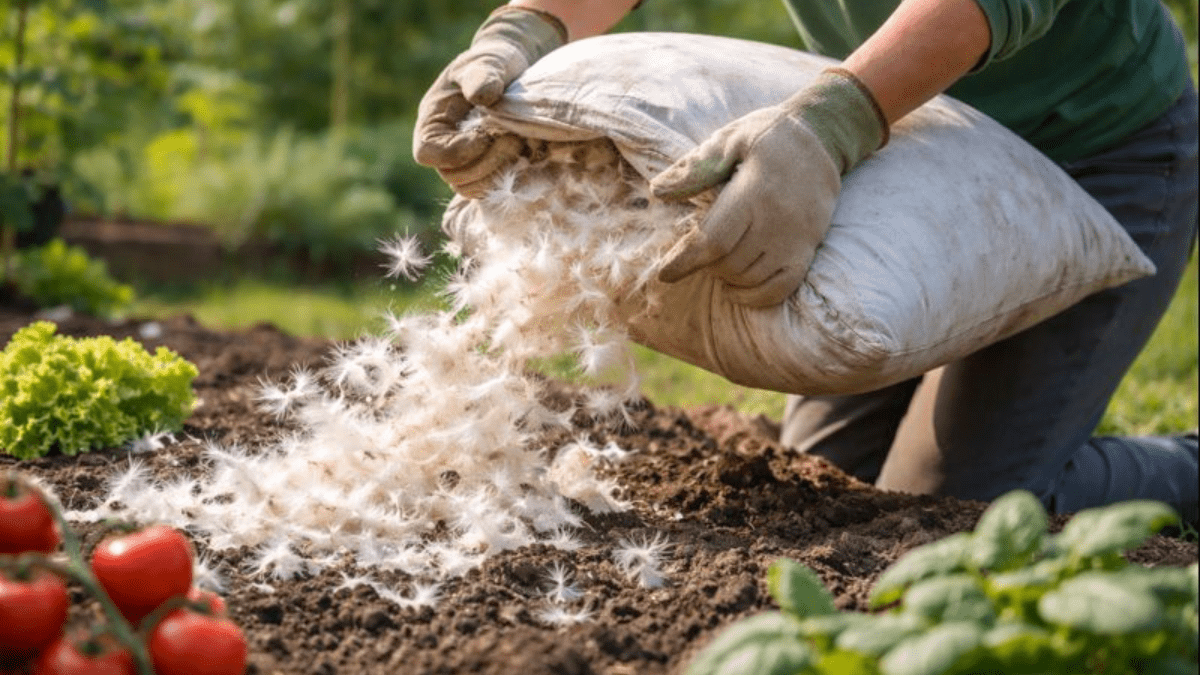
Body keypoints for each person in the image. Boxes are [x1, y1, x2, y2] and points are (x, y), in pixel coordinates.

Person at [413, 0, 1199, 524]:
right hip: (911, 138)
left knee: (956, 510)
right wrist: (525, 27)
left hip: (1097, 151)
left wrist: (833, 124)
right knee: (829, 488)